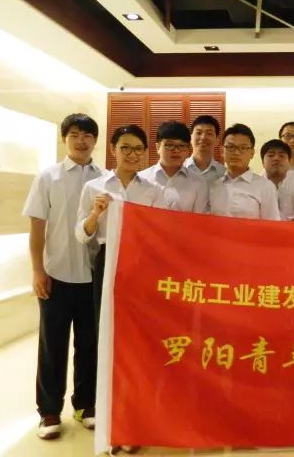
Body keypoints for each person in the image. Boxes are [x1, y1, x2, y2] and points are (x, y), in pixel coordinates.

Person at [76, 124, 167, 455]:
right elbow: (82, 234)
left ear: (145, 153)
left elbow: (162, 234)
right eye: (125, 147)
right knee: (109, 342)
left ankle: (134, 422)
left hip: (143, 268)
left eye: (138, 149)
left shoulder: (154, 190)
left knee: (138, 345)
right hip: (108, 264)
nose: (131, 154)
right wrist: (95, 213)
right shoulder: (94, 187)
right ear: (113, 149)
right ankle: (112, 424)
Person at [22, 113, 102, 440]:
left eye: (87, 135)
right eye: (75, 135)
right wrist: (37, 270)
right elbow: (36, 228)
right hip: (56, 275)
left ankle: (85, 405)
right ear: (64, 139)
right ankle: (49, 410)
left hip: (93, 278)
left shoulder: (105, 179)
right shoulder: (48, 177)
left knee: (90, 346)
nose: (81, 141)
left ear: (95, 140)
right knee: (52, 346)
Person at [209, 123, 280, 220]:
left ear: (252, 153)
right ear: (222, 151)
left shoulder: (265, 187)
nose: (236, 152)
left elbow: (271, 225)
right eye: (231, 147)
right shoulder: (214, 187)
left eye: (243, 148)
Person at [138, 120, 209, 213]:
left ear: (188, 150)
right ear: (158, 147)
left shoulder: (198, 183)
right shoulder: (141, 179)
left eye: (182, 146)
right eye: (169, 145)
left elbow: (200, 219)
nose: (176, 150)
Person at [184, 115, 226, 182]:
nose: (203, 137)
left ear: (217, 141)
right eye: (198, 133)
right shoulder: (179, 169)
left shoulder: (223, 173)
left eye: (209, 133)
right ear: (190, 139)